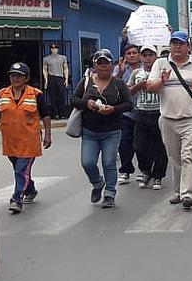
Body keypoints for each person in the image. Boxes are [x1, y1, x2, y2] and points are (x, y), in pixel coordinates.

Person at [146, 30, 192, 209]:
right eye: (174, 43)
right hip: (167, 119)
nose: (177, 46)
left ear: (188, 47)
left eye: (181, 43)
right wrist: (162, 80)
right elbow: (150, 87)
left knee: (188, 155)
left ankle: (188, 194)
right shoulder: (160, 63)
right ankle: (178, 191)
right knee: (175, 158)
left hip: (191, 119)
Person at [0, 62, 53, 213]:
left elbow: (46, 115)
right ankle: (30, 189)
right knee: (19, 170)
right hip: (10, 142)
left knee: (21, 171)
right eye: (12, 75)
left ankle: (16, 199)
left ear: (26, 78)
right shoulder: (2, 94)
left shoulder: (35, 94)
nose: (15, 78)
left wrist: (47, 134)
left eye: (19, 76)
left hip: (29, 142)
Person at [71, 48, 133, 208]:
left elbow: (128, 104)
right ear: (94, 65)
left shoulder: (118, 84)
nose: (103, 66)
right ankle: (98, 183)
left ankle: (110, 193)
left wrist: (113, 109)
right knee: (87, 162)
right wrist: (87, 103)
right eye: (100, 63)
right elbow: (74, 99)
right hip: (89, 131)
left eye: (106, 63)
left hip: (111, 131)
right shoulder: (86, 82)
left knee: (109, 162)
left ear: (112, 66)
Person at [130, 45, 167, 189]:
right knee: (139, 146)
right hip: (141, 112)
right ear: (141, 57)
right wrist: (138, 86)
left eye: (150, 55)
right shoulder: (136, 72)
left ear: (155, 56)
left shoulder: (162, 73)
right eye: (144, 55)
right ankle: (145, 170)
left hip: (158, 112)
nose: (147, 58)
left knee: (159, 146)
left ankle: (158, 175)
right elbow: (128, 91)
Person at [114, 43, 142, 185]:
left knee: (142, 144)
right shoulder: (120, 70)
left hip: (143, 112)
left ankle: (145, 171)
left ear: (139, 55)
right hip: (126, 113)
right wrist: (120, 72)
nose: (131, 55)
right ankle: (125, 170)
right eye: (129, 53)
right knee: (124, 143)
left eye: (134, 53)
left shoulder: (146, 69)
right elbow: (111, 86)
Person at [42, 42, 69, 118]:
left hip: (60, 77)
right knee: (52, 96)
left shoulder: (62, 58)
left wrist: (66, 79)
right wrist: (46, 80)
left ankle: (62, 114)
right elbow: (45, 69)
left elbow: (65, 68)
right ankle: (55, 114)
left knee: (61, 96)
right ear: (50, 49)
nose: (54, 50)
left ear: (58, 49)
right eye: (52, 48)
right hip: (51, 77)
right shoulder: (46, 59)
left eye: (55, 48)